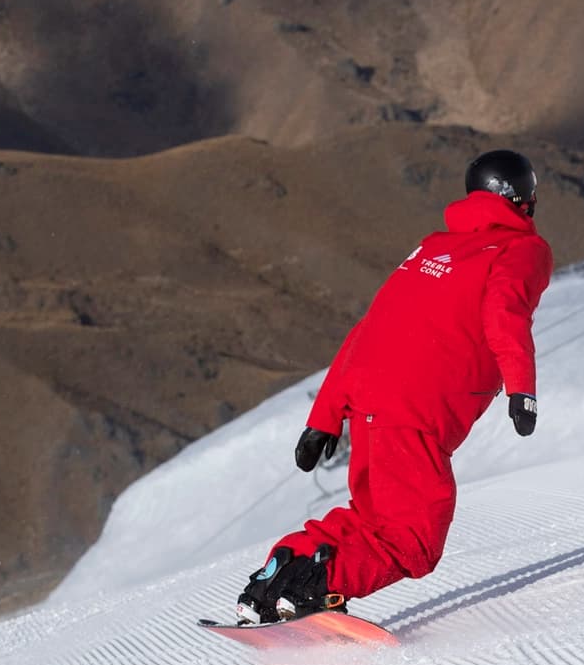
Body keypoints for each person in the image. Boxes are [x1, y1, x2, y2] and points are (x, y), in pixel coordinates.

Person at [235, 149, 553, 624]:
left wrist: (324, 418)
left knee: (372, 519)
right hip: (418, 410)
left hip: (368, 403)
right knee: (414, 540)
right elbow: (503, 313)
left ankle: (278, 576)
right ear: (524, 201)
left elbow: (372, 328)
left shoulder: (432, 247)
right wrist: (520, 389)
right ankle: (316, 585)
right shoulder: (523, 250)